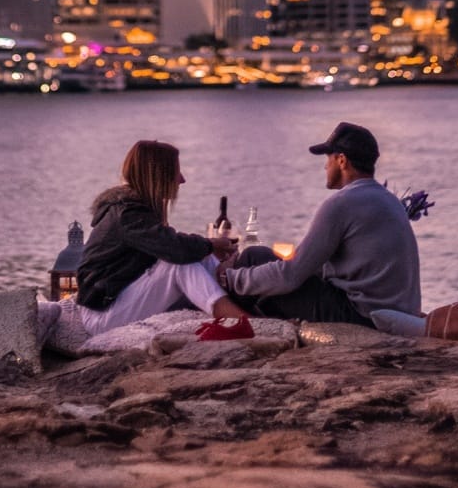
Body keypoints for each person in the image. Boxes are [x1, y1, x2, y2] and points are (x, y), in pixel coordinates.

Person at [220, 121, 420, 324]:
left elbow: (292, 275)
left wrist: (230, 278)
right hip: (397, 312)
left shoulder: (341, 203)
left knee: (251, 261)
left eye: (328, 158)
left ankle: (247, 327)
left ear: (342, 160)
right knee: (258, 256)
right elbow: (314, 266)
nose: (325, 166)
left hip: (362, 316)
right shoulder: (389, 199)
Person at [76, 139, 246, 332]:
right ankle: (239, 320)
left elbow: (173, 244)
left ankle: (239, 295)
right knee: (179, 264)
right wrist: (211, 244)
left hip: (118, 300)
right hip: (102, 314)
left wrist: (209, 248)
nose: (182, 180)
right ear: (157, 176)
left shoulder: (136, 210)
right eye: (176, 172)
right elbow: (176, 249)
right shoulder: (127, 214)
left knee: (199, 256)